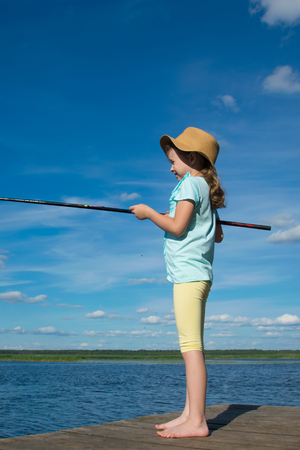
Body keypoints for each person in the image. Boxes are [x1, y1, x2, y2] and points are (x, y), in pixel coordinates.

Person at [130, 127, 226, 439]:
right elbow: (218, 235)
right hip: (200, 275)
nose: (170, 167)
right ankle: (189, 413)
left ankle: (197, 422)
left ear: (193, 158)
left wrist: (147, 213)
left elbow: (176, 226)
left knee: (191, 349)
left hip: (188, 276)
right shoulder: (203, 188)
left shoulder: (189, 185)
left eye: (173, 160)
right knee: (191, 345)